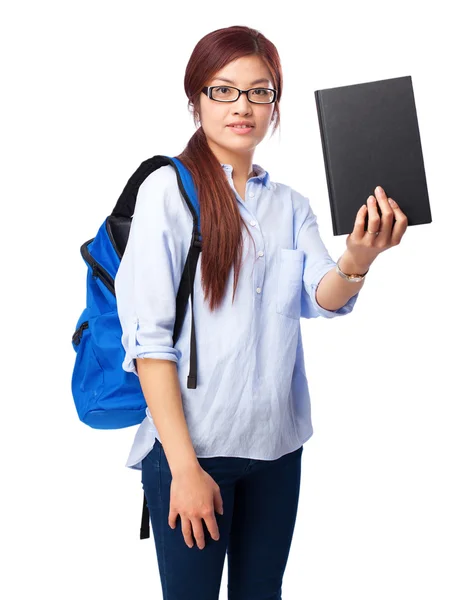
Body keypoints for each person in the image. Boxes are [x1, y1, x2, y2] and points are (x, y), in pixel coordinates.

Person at [114, 24, 408, 600]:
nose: (242, 107)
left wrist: (359, 255)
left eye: (260, 91)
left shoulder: (288, 204)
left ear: (276, 103)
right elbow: (149, 344)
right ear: (196, 98)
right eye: (223, 90)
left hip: (278, 448)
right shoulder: (167, 193)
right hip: (196, 451)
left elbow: (323, 296)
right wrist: (184, 469)